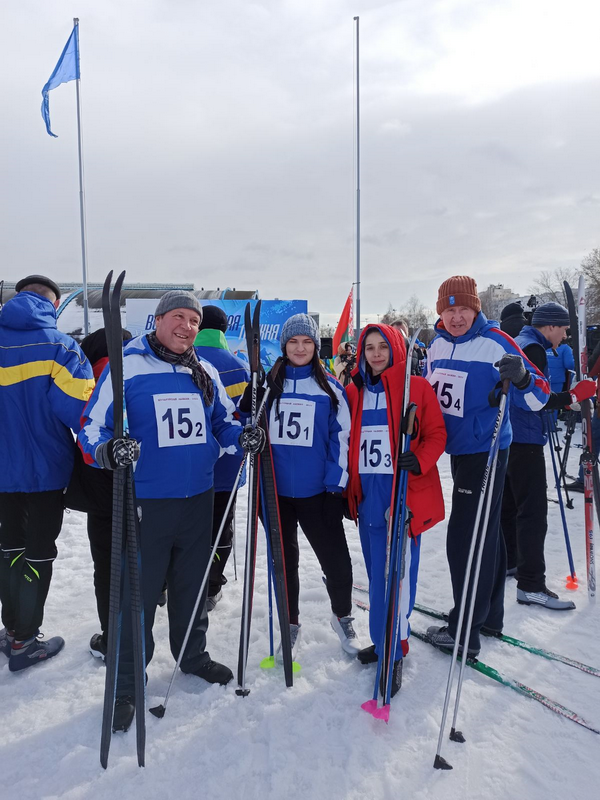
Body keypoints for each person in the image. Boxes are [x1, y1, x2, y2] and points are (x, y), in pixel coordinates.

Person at [79, 290, 262, 732]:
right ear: (158, 320)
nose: (187, 327)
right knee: (136, 595)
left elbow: (222, 424)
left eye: (194, 321)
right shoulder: (129, 365)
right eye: (178, 317)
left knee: (192, 586)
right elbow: (91, 427)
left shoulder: (203, 369)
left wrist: (242, 436)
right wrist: (108, 450)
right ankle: (125, 682)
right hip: (147, 502)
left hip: (199, 498)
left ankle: (191, 654)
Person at [423, 276, 550, 656]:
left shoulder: (496, 342)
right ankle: (490, 616)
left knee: (465, 537)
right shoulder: (438, 343)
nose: (456, 316)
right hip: (457, 450)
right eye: (449, 310)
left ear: (475, 309)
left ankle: (465, 630)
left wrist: (524, 377)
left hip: (487, 448)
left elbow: (539, 397)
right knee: (486, 533)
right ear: (440, 313)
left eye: (463, 309)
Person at [246, 313, 357, 658]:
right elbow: (245, 426)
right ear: (284, 345)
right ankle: (289, 623)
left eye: (307, 341)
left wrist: (334, 488)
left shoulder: (329, 388)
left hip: (316, 493)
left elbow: (343, 440)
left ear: (315, 345)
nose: (300, 348)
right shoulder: (266, 388)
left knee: (337, 562)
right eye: (293, 342)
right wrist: (247, 417)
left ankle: (343, 617)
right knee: (284, 562)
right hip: (275, 491)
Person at [345, 324, 446, 697]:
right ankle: (382, 637)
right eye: (368, 347)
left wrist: (418, 460)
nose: (375, 354)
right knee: (377, 577)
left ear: (396, 349)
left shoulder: (415, 388)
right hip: (368, 497)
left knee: (398, 579)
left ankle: (397, 646)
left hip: (402, 496)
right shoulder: (354, 391)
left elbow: (437, 433)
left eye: (382, 347)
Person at [0, 275, 94, 671]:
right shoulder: (60, 346)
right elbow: (81, 412)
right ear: (53, 305)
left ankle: (10, 630)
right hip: (45, 471)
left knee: (8, 547)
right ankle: (25, 640)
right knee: (38, 551)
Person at [501, 302, 596, 610]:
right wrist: (572, 397)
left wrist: (565, 402)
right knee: (532, 511)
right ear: (551, 326)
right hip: (524, 436)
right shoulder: (534, 348)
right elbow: (534, 399)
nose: (566, 335)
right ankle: (530, 584)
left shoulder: (523, 340)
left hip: (510, 435)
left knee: (512, 505)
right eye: (564, 328)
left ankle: (511, 561)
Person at [63, 326, 134, 660]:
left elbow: (69, 418)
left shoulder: (85, 374)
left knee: (107, 562)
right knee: (145, 554)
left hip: (99, 479)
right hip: (144, 479)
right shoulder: (139, 370)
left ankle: (112, 638)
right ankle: (142, 624)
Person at [194, 304, 250, 610]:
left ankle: (165, 582)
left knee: (181, 525)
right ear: (223, 331)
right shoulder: (238, 366)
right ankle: (212, 586)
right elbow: (245, 418)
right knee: (220, 524)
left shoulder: (179, 358)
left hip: (187, 463)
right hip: (228, 463)